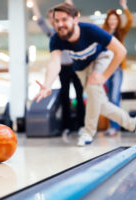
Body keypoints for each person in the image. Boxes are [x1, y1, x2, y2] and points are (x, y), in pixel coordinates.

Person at [35, 3, 136, 146]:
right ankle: (134, 123)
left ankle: (88, 132)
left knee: (92, 88)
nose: (60, 24)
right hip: (81, 68)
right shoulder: (57, 39)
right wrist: (47, 85)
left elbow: (121, 51)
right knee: (100, 104)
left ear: (75, 19)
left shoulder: (91, 30)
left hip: (101, 58)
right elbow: (54, 63)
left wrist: (104, 76)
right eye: (57, 21)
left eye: (64, 19)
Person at [31, 0, 85, 134]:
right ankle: (67, 126)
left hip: (76, 66)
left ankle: (81, 126)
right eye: (53, 18)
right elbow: (39, 21)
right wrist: (33, 5)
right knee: (64, 97)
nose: (55, 20)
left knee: (79, 96)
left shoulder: (70, 29)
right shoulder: (52, 33)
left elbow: (71, 10)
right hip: (62, 68)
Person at [102, 0, 132, 136]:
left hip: (117, 69)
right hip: (105, 70)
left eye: (115, 19)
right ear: (107, 21)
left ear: (117, 21)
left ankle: (115, 127)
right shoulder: (103, 33)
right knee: (108, 99)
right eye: (110, 19)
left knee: (115, 97)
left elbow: (130, 21)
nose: (113, 21)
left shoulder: (121, 32)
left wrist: (124, 7)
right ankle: (112, 126)